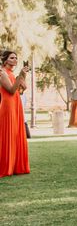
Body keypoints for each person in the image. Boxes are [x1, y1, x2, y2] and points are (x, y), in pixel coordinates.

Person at [0, 50, 31, 178]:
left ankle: (15, 166)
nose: (15, 60)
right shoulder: (2, 73)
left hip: (16, 106)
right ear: (5, 60)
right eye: (12, 58)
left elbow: (22, 89)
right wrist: (20, 76)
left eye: (16, 58)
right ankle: (6, 166)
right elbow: (12, 91)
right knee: (8, 135)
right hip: (8, 106)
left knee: (16, 134)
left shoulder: (12, 74)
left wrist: (23, 75)